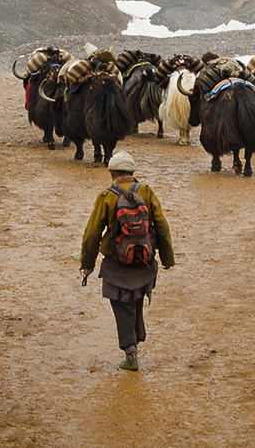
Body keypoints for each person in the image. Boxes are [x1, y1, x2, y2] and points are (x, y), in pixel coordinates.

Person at [79, 151, 175, 370]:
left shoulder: (107, 196)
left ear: (112, 173)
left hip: (116, 265)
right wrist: (168, 258)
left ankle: (130, 351)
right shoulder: (147, 192)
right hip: (144, 262)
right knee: (137, 299)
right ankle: (137, 334)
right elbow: (162, 225)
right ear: (132, 173)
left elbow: (92, 232)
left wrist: (87, 264)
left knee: (121, 305)